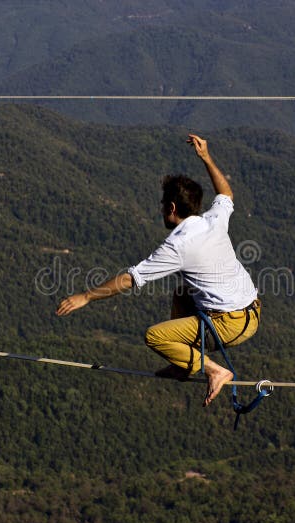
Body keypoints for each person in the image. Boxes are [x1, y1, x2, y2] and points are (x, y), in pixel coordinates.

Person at [56, 134, 261, 407]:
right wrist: (206, 158)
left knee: (155, 336)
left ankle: (213, 369)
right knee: (182, 293)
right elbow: (226, 194)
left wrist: (86, 297)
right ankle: (185, 363)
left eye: (163, 205)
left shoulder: (178, 245)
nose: (161, 210)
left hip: (228, 325)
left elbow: (131, 278)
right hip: (252, 312)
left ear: (172, 208)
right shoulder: (213, 220)